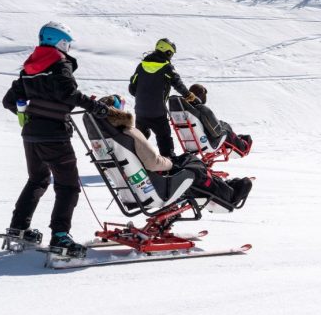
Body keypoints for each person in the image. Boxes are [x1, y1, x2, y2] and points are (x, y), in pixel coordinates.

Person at [1, 21, 109, 257]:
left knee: (37, 179)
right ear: (60, 42)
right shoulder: (60, 62)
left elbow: (9, 101)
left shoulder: (29, 67)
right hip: (54, 134)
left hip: (30, 134)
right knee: (68, 186)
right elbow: (68, 94)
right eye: (67, 43)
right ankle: (60, 236)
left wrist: (32, 111)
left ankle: (19, 227)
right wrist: (95, 107)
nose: (68, 47)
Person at [98, 94, 253, 208]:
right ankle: (229, 195)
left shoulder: (108, 140)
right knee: (194, 167)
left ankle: (222, 186)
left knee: (189, 165)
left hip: (133, 191)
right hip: (155, 190)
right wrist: (171, 163)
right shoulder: (129, 133)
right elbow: (153, 162)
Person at [129, 38, 196, 159]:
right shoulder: (167, 68)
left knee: (140, 138)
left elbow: (132, 89)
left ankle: (135, 160)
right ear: (168, 52)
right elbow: (178, 84)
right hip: (157, 112)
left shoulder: (141, 66)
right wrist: (188, 95)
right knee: (164, 137)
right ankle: (168, 159)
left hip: (140, 111)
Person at [186, 83, 252, 155]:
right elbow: (217, 132)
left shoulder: (186, 110)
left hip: (191, 142)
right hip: (208, 142)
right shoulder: (202, 109)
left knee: (223, 125)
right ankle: (243, 147)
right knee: (226, 129)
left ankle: (238, 140)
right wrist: (225, 129)